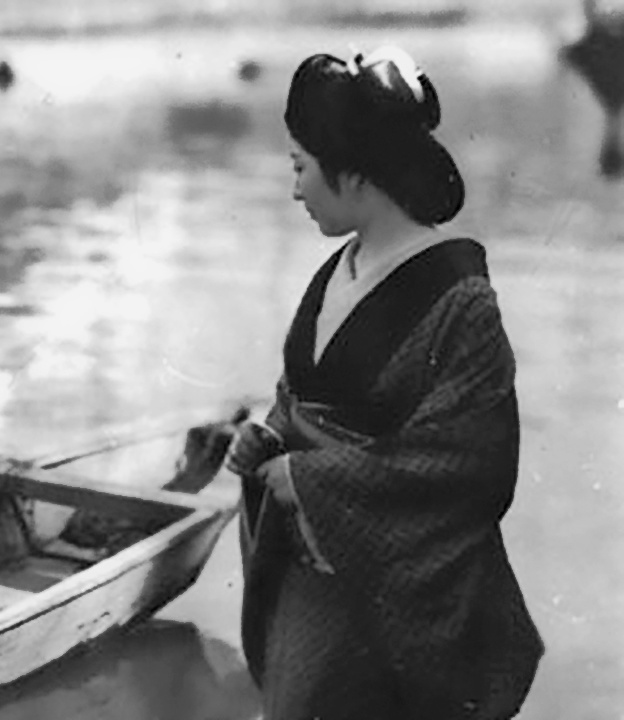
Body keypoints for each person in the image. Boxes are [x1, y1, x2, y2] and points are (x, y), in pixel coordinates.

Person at [225, 47, 543, 720]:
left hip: (395, 601)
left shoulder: (462, 300)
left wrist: (309, 479)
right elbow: (302, 399)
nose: (294, 189)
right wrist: (268, 435)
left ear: (354, 174)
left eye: (301, 168)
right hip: (312, 578)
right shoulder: (339, 268)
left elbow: (471, 463)